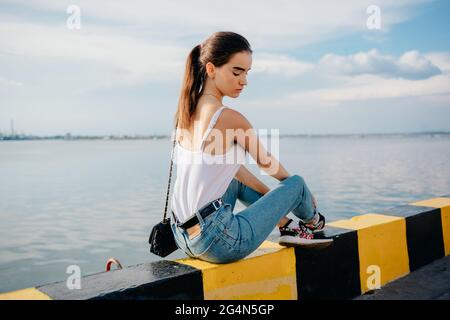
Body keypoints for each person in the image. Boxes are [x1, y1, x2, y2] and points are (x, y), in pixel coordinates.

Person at [169, 31, 332, 264]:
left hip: (182, 236)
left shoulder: (185, 113)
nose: (243, 81)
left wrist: (276, 204)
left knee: (236, 179)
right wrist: (296, 195)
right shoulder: (229, 118)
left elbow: (234, 172)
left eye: (246, 73)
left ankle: (287, 227)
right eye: (236, 72)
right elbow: (267, 164)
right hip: (219, 243)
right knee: (296, 183)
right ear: (211, 69)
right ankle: (314, 222)